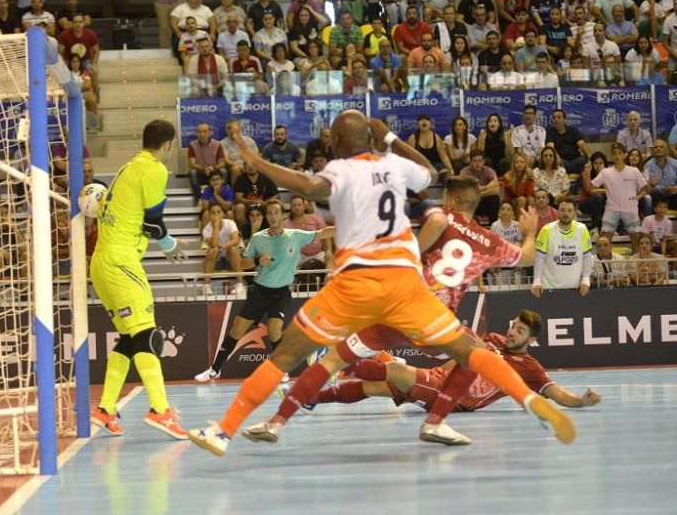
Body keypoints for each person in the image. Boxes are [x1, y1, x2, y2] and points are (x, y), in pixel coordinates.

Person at [187, 114, 572, 456]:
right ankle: (525, 398)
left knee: (288, 356)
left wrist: (254, 161)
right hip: (407, 286)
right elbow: (429, 172)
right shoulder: (394, 165)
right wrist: (389, 139)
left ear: (336, 144)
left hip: (357, 284)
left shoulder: (342, 170)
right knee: (471, 351)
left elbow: (308, 187)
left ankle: (227, 428)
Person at [241, 174, 544, 447]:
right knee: (474, 357)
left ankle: (275, 423)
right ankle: (435, 423)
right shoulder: (490, 241)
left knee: (333, 361)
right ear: (476, 205)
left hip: (396, 308)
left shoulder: (439, 219)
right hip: (432, 320)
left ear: (450, 200)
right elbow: (528, 257)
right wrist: (530, 231)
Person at [302, 310, 601, 445]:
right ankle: (313, 396)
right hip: (441, 382)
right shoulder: (493, 338)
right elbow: (462, 359)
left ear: (531, 339)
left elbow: (556, 393)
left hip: (462, 400)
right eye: (514, 326)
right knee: (376, 387)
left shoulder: (530, 367)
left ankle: (335, 366)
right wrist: (439, 373)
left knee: (394, 369)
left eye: (521, 331)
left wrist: (581, 402)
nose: (512, 332)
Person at [89, 120, 188, 439]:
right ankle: (161, 410)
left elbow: (143, 223)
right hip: (121, 262)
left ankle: (105, 409)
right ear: (169, 146)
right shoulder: (154, 170)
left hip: (102, 263)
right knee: (148, 335)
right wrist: (171, 245)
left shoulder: (127, 168)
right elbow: (154, 223)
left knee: (131, 339)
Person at [195, 199, 333, 382]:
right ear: (267, 216)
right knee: (237, 329)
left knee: (275, 331)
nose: (273, 216)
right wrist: (258, 261)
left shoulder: (295, 235)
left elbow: (322, 233)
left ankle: (281, 370)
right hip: (259, 292)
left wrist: (348, 225)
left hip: (281, 293)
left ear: (281, 215)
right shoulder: (258, 238)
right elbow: (242, 264)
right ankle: (215, 369)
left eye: (276, 212)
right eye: (270, 213)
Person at [531, 198, 592, 296]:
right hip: (549, 288)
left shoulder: (582, 229)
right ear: (557, 211)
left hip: (575, 288)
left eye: (569, 210)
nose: (565, 213)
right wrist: (537, 281)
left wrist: (586, 279)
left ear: (575, 212)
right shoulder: (547, 230)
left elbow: (587, 256)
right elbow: (539, 257)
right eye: (562, 210)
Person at [591, 143, 649, 242]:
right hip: (612, 209)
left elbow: (646, 188)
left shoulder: (634, 171)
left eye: (619, 153)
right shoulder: (605, 172)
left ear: (624, 155)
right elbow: (590, 188)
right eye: (614, 153)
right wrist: (587, 173)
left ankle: (635, 257)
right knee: (605, 240)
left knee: (636, 242)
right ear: (611, 155)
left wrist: (637, 197)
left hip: (630, 209)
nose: (617, 155)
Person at [200, 204, 243, 292]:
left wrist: (224, 246)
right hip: (216, 260)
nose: (216, 215)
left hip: (230, 257)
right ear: (210, 216)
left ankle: (240, 284)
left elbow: (236, 240)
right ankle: (206, 286)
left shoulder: (230, 223)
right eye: (213, 213)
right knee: (212, 250)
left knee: (233, 249)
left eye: (218, 212)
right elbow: (213, 244)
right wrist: (215, 226)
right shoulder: (206, 229)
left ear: (223, 214)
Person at [459, 150, 500, 223]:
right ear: (470, 162)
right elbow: (468, 192)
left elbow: (496, 189)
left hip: (484, 202)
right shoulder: (464, 172)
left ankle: (493, 226)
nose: (477, 164)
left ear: (483, 161)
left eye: (480, 161)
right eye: (474, 161)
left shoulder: (489, 171)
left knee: (495, 198)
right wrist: (488, 187)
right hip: (471, 204)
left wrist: (481, 191)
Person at [545, 108, 591, 173]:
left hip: (576, 160)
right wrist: (557, 159)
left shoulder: (573, 130)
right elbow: (550, 148)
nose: (556, 120)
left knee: (583, 160)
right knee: (556, 163)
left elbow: (581, 144)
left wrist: (590, 158)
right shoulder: (550, 131)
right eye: (554, 118)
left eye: (559, 117)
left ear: (564, 119)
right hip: (561, 161)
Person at [187, 122, 227, 190]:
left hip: (214, 172)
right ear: (197, 133)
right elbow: (192, 164)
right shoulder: (192, 145)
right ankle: (199, 198)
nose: (202, 134)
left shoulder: (217, 144)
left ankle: (222, 196)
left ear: (210, 133)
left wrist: (213, 168)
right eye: (199, 132)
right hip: (200, 172)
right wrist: (204, 169)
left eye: (205, 131)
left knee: (223, 171)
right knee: (192, 172)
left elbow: (222, 163)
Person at [644, 139, 677, 209]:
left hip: (674, 195)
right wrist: (661, 189)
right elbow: (646, 189)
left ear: (666, 150)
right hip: (657, 198)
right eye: (656, 147)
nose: (658, 149)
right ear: (653, 150)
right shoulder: (647, 166)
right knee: (655, 194)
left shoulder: (675, 163)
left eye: (661, 147)